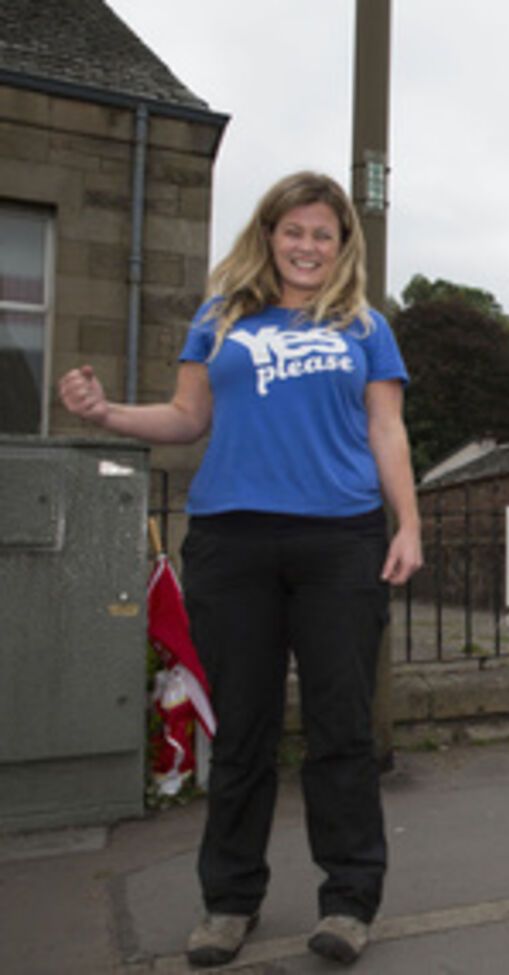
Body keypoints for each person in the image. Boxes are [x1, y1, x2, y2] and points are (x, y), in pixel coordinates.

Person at [59, 171, 423, 965]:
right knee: (246, 729)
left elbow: (387, 430)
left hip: (339, 542)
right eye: (293, 231)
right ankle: (228, 901)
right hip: (232, 543)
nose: (307, 246)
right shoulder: (220, 317)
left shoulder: (365, 326)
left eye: (323, 233)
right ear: (268, 236)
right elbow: (188, 416)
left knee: (340, 727)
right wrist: (108, 412)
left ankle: (350, 898)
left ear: (342, 245)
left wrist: (410, 525)